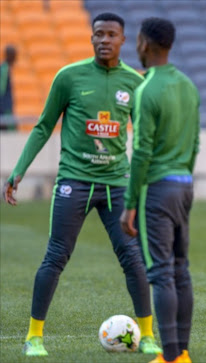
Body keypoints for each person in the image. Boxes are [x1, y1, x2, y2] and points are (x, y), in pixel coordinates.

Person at [2, 13, 161, 357]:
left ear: (123, 40)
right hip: (74, 182)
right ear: (91, 39)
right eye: (98, 34)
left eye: (111, 35)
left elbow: (147, 137)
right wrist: (18, 171)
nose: (104, 40)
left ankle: (147, 334)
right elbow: (43, 126)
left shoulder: (135, 83)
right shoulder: (69, 77)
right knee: (56, 256)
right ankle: (34, 336)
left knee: (133, 258)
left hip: (117, 184)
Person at [120, 17, 199, 363]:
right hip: (184, 185)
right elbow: (195, 143)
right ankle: (181, 354)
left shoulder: (145, 89)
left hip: (157, 189)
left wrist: (130, 203)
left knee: (161, 272)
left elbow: (141, 153)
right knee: (181, 269)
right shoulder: (188, 85)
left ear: (145, 45)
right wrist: (183, 177)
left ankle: (168, 357)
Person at [0, 44, 17, 130]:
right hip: (4, 109)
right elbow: (1, 91)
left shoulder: (6, 68)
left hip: (6, 108)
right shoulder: (4, 69)